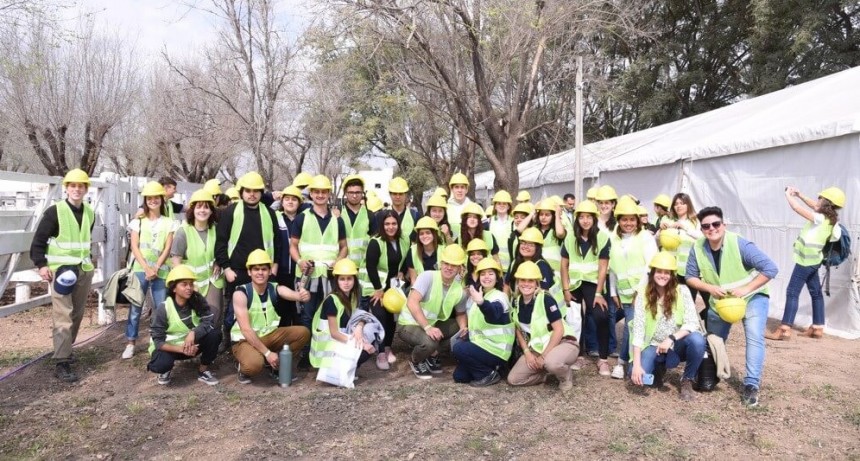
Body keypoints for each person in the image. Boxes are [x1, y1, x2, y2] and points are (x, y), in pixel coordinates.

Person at [686, 206, 778, 407]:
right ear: (701, 229)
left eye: (716, 224)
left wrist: (746, 289)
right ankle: (711, 374)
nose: (712, 229)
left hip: (752, 297)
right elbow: (690, 276)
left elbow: (771, 268)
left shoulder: (740, 244)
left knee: (754, 336)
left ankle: (751, 384)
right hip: (720, 303)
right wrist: (708, 287)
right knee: (713, 340)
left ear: (723, 225)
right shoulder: (698, 247)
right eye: (706, 226)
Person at [29, 169, 96, 382]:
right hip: (61, 271)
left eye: (81, 186)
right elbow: (38, 241)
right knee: (63, 315)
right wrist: (41, 264)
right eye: (73, 185)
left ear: (86, 189)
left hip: (82, 270)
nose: (77, 189)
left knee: (76, 314)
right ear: (66, 188)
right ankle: (62, 361)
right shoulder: (54, 212)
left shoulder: (90, 213)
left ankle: (66, 349)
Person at [214, 171, 282, 349]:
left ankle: (262, 343)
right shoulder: (230, 212)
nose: (252, 194)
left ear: (261, 193)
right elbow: (220, 242)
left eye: (256, 191)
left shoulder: (269, 213)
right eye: (248, 190)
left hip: (263, 272)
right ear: (242, 192)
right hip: (237, 272)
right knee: (232, 311)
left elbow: (278, 242)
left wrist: (273, 267)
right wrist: (226, 269)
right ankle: (229, 341)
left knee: (264, 309)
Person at [767, 186, 844, 340]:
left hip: (805, 261)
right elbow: (814, 206)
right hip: (814, 260)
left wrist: (788, 195)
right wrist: (800, 194)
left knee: (792, 292)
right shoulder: (831, 219)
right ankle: (817, 328)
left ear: (826, 202)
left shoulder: (820, 218)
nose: (817, 200)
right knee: (816, 293)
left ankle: (784, 329)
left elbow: (796, 208)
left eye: (820, 198)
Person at [289, 174, 348, 368]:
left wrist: (338, 262)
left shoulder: (337, 220)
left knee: (329, 314)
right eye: (317, 192)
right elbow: (293, 246)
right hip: (309, 274)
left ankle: (327, 351)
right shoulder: (302, 218)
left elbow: (344, 247)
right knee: (307, 314)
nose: (320, 195)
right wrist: (300, 261)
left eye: (324, 192)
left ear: (329, 194)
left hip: (329, 276)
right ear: (311, 194)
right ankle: (306, 354)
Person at [630, 252, 705, 400]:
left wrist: (671, 338)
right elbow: (638, 330)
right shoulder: (642, 295)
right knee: (639, 376)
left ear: (672, 275)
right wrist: (637, 365)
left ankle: (687, 380)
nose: (663, 275)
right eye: (659, 271)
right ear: (652, 273)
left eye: (667, 272)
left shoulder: (682, 291)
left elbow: (692, 322)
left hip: (676, 343)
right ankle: (659, 368)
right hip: (652, 344)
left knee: (697, 340)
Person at [232, 250, 312, 384]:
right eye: (256, 269)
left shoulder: (273, 288)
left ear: (270, 271)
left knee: (303, 333)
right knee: (254, 365)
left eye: (264, 269)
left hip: (269, 335)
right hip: (245, 340)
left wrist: (302, 296)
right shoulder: (241, 294)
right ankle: (244, 368)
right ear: (249, 272)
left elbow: (289, 293)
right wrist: (268, 353)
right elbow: (246, 330)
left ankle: (276, 366)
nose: (260, 273)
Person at [397, 244, 469, 379]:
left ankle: (431, 354)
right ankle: (416, 360)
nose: (449, 267)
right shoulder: (427, 277)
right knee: (430, 342)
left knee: (458, 330)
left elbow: (460, 313)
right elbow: (412, 302)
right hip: (408, 324)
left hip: (430, 324)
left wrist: (463, 328)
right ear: (441, 263)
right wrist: (428, 327)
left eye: (453, 265)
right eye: (446, 263)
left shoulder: (458, 289)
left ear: (460, 268)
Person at [123, 181, 175, 359]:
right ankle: (131, 342)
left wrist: (157, 266)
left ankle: (158, 340)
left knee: (161, 307)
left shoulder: (169, 222)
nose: (153, 201)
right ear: (145, 200)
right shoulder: (138, 221)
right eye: (149, 198)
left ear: (162, 199)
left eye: (156, 198)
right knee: (136, 306)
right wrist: (146, 267)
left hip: (161, 270)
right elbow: (134, 246)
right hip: (140, 269)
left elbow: (168, 247)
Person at [507, 261, 579, 391]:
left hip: (563, 342)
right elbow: (518, 330)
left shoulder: (545, 299)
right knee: (514, 379)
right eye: (523, 280)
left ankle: (565, 376)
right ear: (518, 282)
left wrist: (544, 356)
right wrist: (527, 352)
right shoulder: (516, 301)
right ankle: (545, 375)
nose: (526, 284)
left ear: (537, 283)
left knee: (552, 363)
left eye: (531, 281)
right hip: (537, 348)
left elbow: (559, 330)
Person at [607, 198, 659, 379]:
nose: (628, 223)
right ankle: (630, 361)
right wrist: (613, 292)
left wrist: (640, 290)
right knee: (633, 326)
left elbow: (650, 266)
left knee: (634, 327)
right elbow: (612, 268)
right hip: (624, 294)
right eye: (624, 219)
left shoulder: (645, 237)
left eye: (632, 219)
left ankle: (623, 362)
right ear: (618, 220)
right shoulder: (613, 239)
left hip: (644, 292)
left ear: (638, 220)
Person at [147, 265, 222, 386]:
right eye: (184, 284)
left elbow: (208, 320)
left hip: (193, 345)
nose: (189, 288)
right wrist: (181, 349)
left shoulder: (197, 300)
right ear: (174, 288)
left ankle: (203, 370)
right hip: (172, 349)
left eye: (191, 284)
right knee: (160, 364)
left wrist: (194, 333)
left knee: (215, 334)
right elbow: (158, 342)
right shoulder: (163, 308)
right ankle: (165, 370)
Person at [561, 200, 611, 376]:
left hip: (592, 285)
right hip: (574, 285)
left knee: (601, 316)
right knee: (575, 320)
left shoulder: (603, 237)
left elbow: (603, 267)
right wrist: (566, 290)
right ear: (577, 219)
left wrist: (599, 293)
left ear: (594, 219)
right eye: (581, 217)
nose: (585, 220)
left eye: (589, 217)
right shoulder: (570, 238)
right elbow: (564, 266)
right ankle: (578, 355)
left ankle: (603, 359)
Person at [453, 258, 513, 387]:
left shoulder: (499, 296)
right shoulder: (480, 296)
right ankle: (495, 369)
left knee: (458, 348)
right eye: (483, 274)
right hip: (483, 345)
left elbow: (493, 314)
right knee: (459, 377)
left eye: (491, 273)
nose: (486, 277)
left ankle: (489, 374)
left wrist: (481, 303)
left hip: (497, 350)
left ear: (497, 278)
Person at [170, 190, 224, 329]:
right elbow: (176, 260)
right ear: (192, 210)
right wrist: (186, 283)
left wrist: (218, 262)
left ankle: (213, 346)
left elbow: (221, 250)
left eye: (206, 207)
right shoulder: (183, 231)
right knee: (193, 317)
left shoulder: (215, 229)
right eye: (199, 207)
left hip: (213, 279)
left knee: (214, 314)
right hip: (192, 283)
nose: (202, 210)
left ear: (211, 211)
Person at [310, 259, 375, 372]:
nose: (346, 282)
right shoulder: (332, 300)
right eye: (342, 279)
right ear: (337, 281)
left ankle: (347, 369)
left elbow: (363, 316)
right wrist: (360, 344)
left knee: (371, 334)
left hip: (339, 344)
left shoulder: (352, 298)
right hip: (328, 354)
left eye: (349, 278)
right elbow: (334, 334)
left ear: (354, 280)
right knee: (365, 348)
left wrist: (359, 327)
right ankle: (342, 370)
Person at [359, 209, 402, 369]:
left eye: (393, 223)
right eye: (387, 224)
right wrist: (378, 289)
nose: (391, 227)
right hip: (376, 288)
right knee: (381, 317)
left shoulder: (401, 241)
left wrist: (402, 272)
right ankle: (381, 353)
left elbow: (402, 260)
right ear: (382, 225)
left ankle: (388, 348)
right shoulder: (376, 242)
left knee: (391, 318)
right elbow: (370, 266)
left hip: (392, 288)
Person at [660, 193, 706, 307]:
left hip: (689, 269)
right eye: (676, 204)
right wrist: (660, 230)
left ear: (688, 205)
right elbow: (657, 241)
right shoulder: (668, 220)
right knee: (672, 302)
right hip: (671, 269)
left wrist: (685, 228)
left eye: (682, 203)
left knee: (688, 303)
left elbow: (702, 238)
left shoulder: (695, 221)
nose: (678, 206)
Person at [504, 228, 562, 304]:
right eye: (523, 243)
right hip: (520, 307)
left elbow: (543, 293)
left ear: (537, 248)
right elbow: (506, 285)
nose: (525, 246)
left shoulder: (542, 266)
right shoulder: (515, 262)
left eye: (530, 244)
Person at [274, 185, 303, 326]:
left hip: (300, 273)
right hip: (281, 272)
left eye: (294, 199)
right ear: (282, 202)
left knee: (299, 311)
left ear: (299, 203)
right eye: (287, 199)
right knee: (282, 311)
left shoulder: (305, 219)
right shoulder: (275, 218)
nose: (290, 202)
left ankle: (299, 344)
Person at [384, 177, 420, 267]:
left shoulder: (415, 216)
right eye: (394, 193)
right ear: (390, 194)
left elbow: (417, 244)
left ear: (406, 195)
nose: (397, 196)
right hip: (388, 264)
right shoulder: (382, 215)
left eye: (401, 194)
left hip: (409, 266)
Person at [404, 217, 443, 284]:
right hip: (420, 290)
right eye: (421, 233)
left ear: (434, 234)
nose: (424, 236)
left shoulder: (444, 250)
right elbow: (413, 279)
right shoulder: (412, 251)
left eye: (428, 233)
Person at [486, 190, 514, 273]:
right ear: (494, 206)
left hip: (510, 267)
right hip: (492, 266)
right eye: (499, 203)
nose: (501, 206)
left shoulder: (514, 222)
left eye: (504, 203)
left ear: (509, 206)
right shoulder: (488, 222)